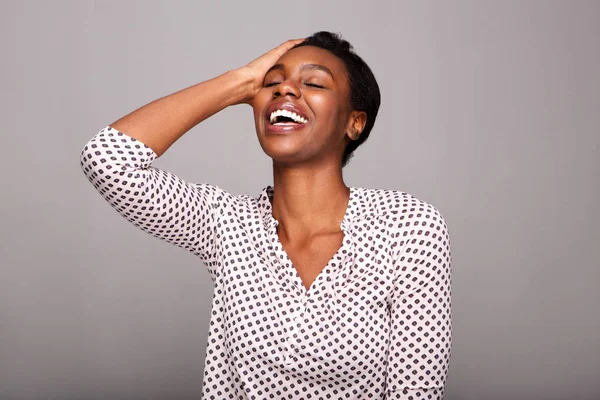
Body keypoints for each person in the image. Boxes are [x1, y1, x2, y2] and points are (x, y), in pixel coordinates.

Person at [80, 31, 452, 400]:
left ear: (354, 123)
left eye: (313, 82)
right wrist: (239, 82)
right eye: (271, 82)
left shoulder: (407, 227)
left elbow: (415, 393)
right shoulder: (226, 225)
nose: (285, 90)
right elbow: (107, 160)